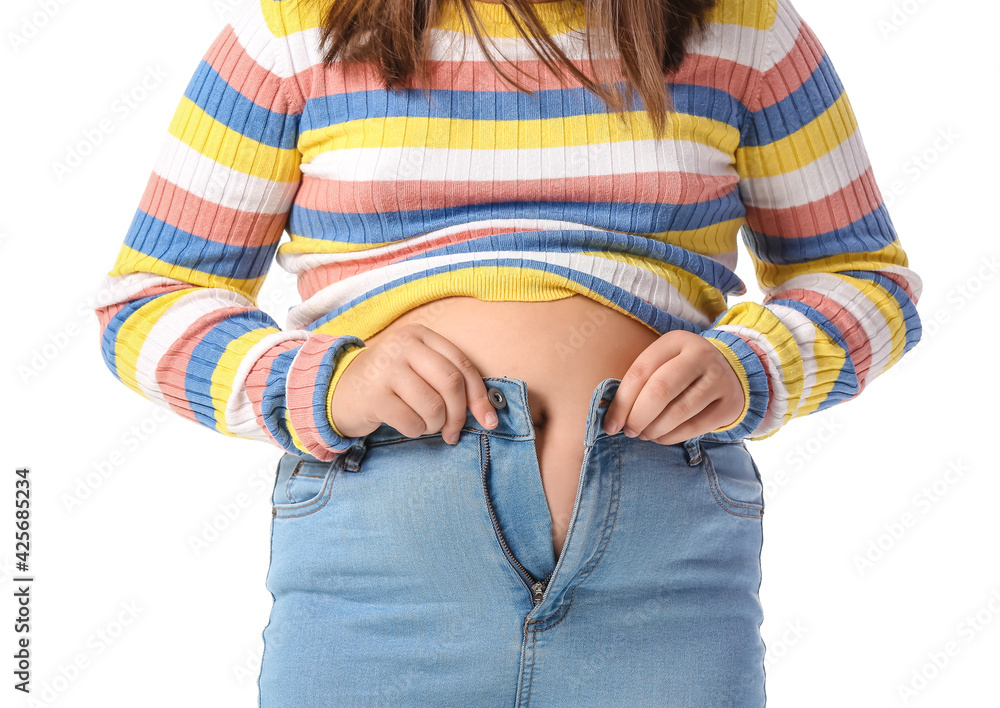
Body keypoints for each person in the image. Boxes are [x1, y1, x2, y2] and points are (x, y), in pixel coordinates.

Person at [92, 0, 923, 704]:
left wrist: (752, 368)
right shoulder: (293, 30)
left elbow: (866, 278)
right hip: (377, 590)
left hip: (667, 584)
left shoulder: (745, 29)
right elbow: (147, 303)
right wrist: (328, 382)